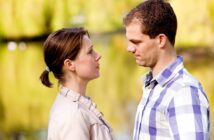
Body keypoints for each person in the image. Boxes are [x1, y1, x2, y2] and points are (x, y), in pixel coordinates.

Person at [123, 0, 210, 139]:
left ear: (161, 40)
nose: (130, 48)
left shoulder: (183, 91)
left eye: (136, 42)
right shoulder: (154, 86)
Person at [39, 27, 113, 140]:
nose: (98, 56)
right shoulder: (73, 114)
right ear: (69, 64)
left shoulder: (74, 105)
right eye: (90, 52)